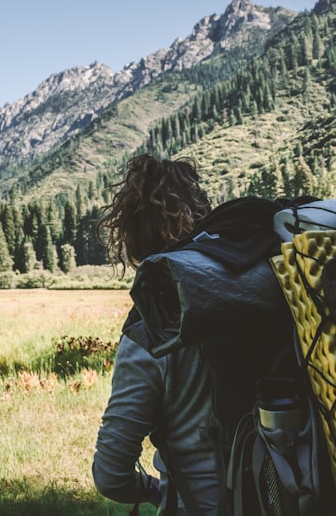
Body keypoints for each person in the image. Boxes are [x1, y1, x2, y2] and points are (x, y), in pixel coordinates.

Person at [91, 153, 219, 516]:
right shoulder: (259, 294)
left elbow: (111, 474)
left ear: (130, 236)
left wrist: (152, 490)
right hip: (290, 494)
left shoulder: (149, 331)